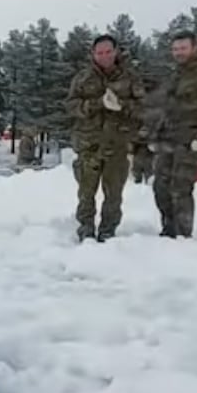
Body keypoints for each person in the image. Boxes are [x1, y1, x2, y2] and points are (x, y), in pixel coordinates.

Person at [63, 34, 145, 242]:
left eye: (108, 51)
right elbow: (71, 106)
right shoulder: (82, 78)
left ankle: (108, 232)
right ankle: (86, 230)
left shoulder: (130, 78)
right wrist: (97, 103)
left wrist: (122, 106)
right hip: (88, 144)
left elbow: (143, 108)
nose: (104, 56)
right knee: (86, 193)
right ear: (93, 54)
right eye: (100, 52)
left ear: (116, 52)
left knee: (114, 194)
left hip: (117, 144)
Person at [146, 30, 197, 238]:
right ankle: (169, 229)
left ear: (194, 48)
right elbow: (165, 108)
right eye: (175, 49)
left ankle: (182, 235)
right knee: (160, 186)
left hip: (192, 139)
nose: (179, 53)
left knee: (180, 186)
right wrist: (154, 134)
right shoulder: (175, 75)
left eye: (183, 48)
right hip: (169, 138)